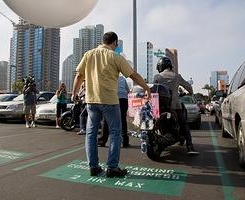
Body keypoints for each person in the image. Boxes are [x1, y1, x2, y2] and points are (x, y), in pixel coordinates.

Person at [72, 31, 151, 178]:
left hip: (92, 101)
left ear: (103, 41)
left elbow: (79, 75)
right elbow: (133, 75)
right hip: (109, 101)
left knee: (91, 133)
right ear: (114, 43)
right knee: (115, 133)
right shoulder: (115, 56)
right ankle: (112, 167)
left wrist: (74, 93)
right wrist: (147, 88)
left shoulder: (88, 54)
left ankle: (93, 167)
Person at [153, 57, 199, 155]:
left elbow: (154, 90)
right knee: (184, 123)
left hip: (159, 106)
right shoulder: (177, 76)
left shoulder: (157, 76)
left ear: (160, 66)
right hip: (175, 104)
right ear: (170, 66)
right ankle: (190, 147)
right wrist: (190, 93)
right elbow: (189, 87)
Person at [98, 75, 130, 147]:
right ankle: (124, 141)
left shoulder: (108, 76)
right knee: (122, 120)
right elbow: (128, 90)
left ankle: (102, 140)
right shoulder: (122, 78)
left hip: (112, 98)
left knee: (106, 120)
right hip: (124, 99)